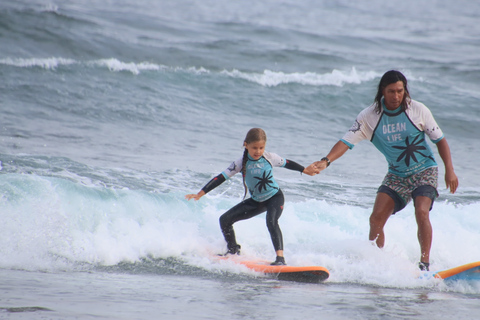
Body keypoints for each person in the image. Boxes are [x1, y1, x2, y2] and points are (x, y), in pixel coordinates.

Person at [309, 70, 458, 271]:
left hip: (425, 170)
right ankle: (376, 263)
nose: (396, 96)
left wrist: (450, 170)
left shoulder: (418, 110)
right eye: (391, 91)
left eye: (400, 91)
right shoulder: (369, 117)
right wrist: (326, 161)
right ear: (382, 91)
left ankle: (424, 264)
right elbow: (346, 141)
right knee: (376, 218)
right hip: (397, 174)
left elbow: (440, 141)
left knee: (421, 211)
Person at [186, 128, 317, 265]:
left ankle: (280, 259)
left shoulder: (269, 157)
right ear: (246, 145)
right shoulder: (239, 163)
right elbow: (221, 177)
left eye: (261, 147)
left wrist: (304, 170)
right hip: (257, 201)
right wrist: (200, 193)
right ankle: (233, 251)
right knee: (225, 220)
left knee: (271, 221)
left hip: (274, 197)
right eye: (254, 147)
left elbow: (288, 163)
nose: (258, 151)